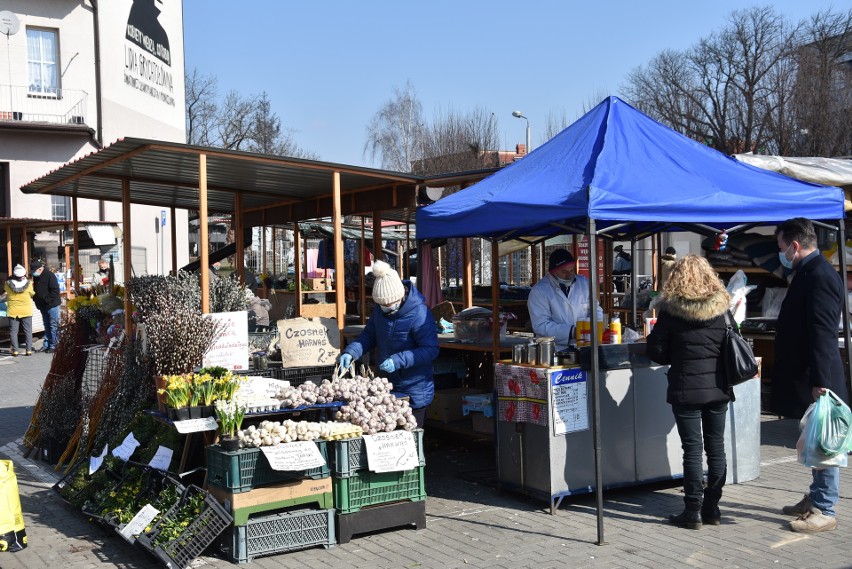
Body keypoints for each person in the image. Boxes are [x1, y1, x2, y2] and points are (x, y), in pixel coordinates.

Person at [772, 217, 847, 533]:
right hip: (811, 374)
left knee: (825, 441)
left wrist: (821, 383)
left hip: (819, 377)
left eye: (781, 248)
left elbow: (822, 334)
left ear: (795, 245)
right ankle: (815, 497)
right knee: (814, 439)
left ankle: (825, 508)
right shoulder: (808, 272)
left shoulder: (819, 277)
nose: (781, 254)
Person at [646, 254, 731, 529]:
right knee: (716, 449)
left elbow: (656, 352)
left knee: (692, 450)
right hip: (718, 388)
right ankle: (713, 508)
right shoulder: (723, 309)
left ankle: (692, 512)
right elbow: (733, 343)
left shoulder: (671, 311)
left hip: (686, 389)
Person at [337, 260, 438, 427]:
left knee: (411, 440)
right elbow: (369, 335)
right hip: (386, 388)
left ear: (398, 297)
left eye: (387, 304)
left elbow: (430, 350)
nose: (384, 308)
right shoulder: (380, 311)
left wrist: (398, 360)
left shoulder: (420, 313)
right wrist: (351, 351)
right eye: (380, 305)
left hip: (414, 389)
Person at [528, 248, 603, 351]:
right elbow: (540, 325)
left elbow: (596, 310)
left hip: (585, 346)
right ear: (553, 271)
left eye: (572, 270)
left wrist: (592, 326)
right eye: (564, 271)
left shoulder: (584, 283)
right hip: (555, 349)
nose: (569, 275)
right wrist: (572, 332)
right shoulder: (540, 291)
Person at [1, 264, 36, 356]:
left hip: (13, 310)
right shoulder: (29, 283)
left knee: (13, 332)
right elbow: (32, 294)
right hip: (26, 310)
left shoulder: (7, 283)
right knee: (28, 331)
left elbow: (6, 293)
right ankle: (28, 350)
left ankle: (15, 350)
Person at [31, 260, 60, 353]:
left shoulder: (50, 275)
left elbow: (55, 291)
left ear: (40, 269)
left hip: (52, 305)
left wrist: (47, 300)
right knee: (46, 325)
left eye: (34, 271)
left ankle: (54, 345)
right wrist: (36, 300)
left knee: (53, 325)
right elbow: (36, 290)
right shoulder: (37, 277)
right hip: (42, 305)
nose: (33, 273)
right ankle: (47, 344)